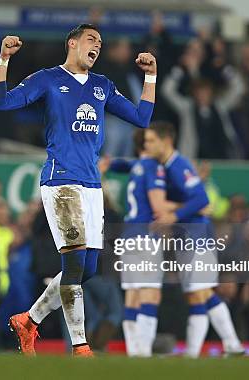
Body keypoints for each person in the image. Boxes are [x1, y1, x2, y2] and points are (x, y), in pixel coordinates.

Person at [0, 23, 156, 356]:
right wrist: (4, 59)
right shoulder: (48, 79)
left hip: (93, 185)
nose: (97, 45)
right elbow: (0, 102)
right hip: (60, 179)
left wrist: (151, 76)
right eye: (91, 39)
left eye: (100, 42)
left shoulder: (102, 86)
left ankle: (28, 320)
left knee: (87, 269)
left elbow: (142, 118)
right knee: (76, 265)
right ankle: (80, 345)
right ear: (72, 43)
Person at [147, 122, 244, 357]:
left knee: (198, 295)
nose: (147, 145)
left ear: (166, 140)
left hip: (196, 236)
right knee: (202, 294)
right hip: (189, 236)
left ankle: (196, 353)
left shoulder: (178, 165)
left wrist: (173, 214)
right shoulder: (170, 167)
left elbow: (201, 200)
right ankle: (232, 345)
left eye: (151, 141)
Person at [101, 126, 176, 357]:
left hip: (129, 237)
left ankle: (135, 352)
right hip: (146, 237)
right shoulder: (153, 168)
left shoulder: (136, 166)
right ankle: (143, 352)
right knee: (150, 295)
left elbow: (113, 163)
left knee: (133, 296)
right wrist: (187, 206)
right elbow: (158, 207)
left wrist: (106, 165)